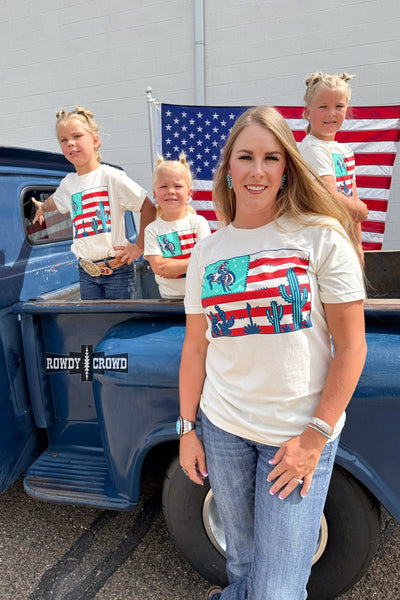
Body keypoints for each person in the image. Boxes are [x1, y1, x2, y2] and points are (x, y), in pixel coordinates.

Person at [178, 106, 367, 600]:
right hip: (223, 429)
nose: (257, 170)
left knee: (278, 589)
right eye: (245, 157)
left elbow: (352, 347)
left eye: (271, 158)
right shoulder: (207, 251)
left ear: (287, 168)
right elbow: (196, 346)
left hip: (297, 434)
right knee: (241, 561)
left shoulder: (321, 236)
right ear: (228, 167)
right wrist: (187, 429)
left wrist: (314, 438)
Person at [33, 106, 156, 299]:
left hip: (117, 271)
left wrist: (139, 247)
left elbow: (148, 207)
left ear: (95, 141)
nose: (70, 143)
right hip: (86, 273)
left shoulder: (111, 176)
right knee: (93, 318)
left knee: (117, 319)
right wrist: (43, 208)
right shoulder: (68, 183)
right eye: (63, 140)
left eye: (77, 136)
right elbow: (55, 201)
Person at [298, 72, 369, 265]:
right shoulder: (312, 148)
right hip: (318, 243)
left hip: (340, 241)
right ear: (308, 112)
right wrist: (359, 210)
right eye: (323, 106)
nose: (331, 113)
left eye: (339, 106)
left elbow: (352, 198)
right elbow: (329, 195)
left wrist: (357, 244)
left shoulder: (344, 151)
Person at [144, 155, 211, 299]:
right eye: (164, 186)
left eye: (177, 186)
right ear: (155, 194)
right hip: (169, 299)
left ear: (189, 193)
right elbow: (157, 266)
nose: (171, 191)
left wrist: (178, 267)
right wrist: (192, 263)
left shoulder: (198, 223)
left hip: (201, 297)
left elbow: (207, 259)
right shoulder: (152, 230)